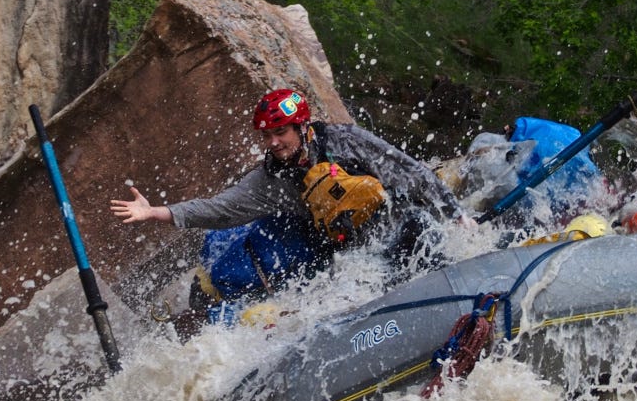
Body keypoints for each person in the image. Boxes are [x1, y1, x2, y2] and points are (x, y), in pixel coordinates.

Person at [110, 88, 469, 277]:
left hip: (397, 222)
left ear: (302, 127)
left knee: (421, 228)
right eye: (266, 136)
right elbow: (220, 210)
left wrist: (456, 214)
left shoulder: (344, 140)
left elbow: (409, 171)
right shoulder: (269, 180)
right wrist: (156, 212)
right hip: (357, 255)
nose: (273, 143)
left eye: (280, 133)